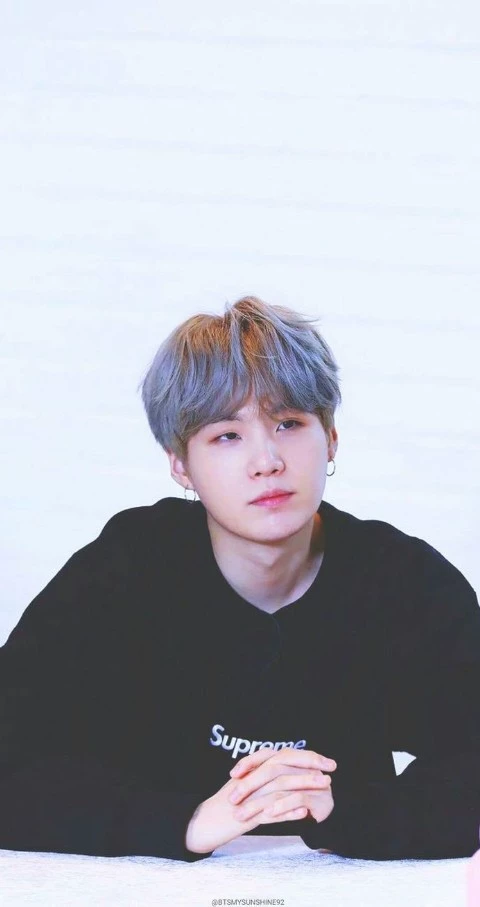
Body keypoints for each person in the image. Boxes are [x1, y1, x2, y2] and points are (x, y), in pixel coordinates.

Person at [1, 295, 479, 862]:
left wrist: (348, 813)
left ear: (330, 438)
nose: (267, 461)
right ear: (181, 464)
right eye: (227, 435)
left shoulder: (404, 584)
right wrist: (185, 823)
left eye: (289, 423)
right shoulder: (126, 573)